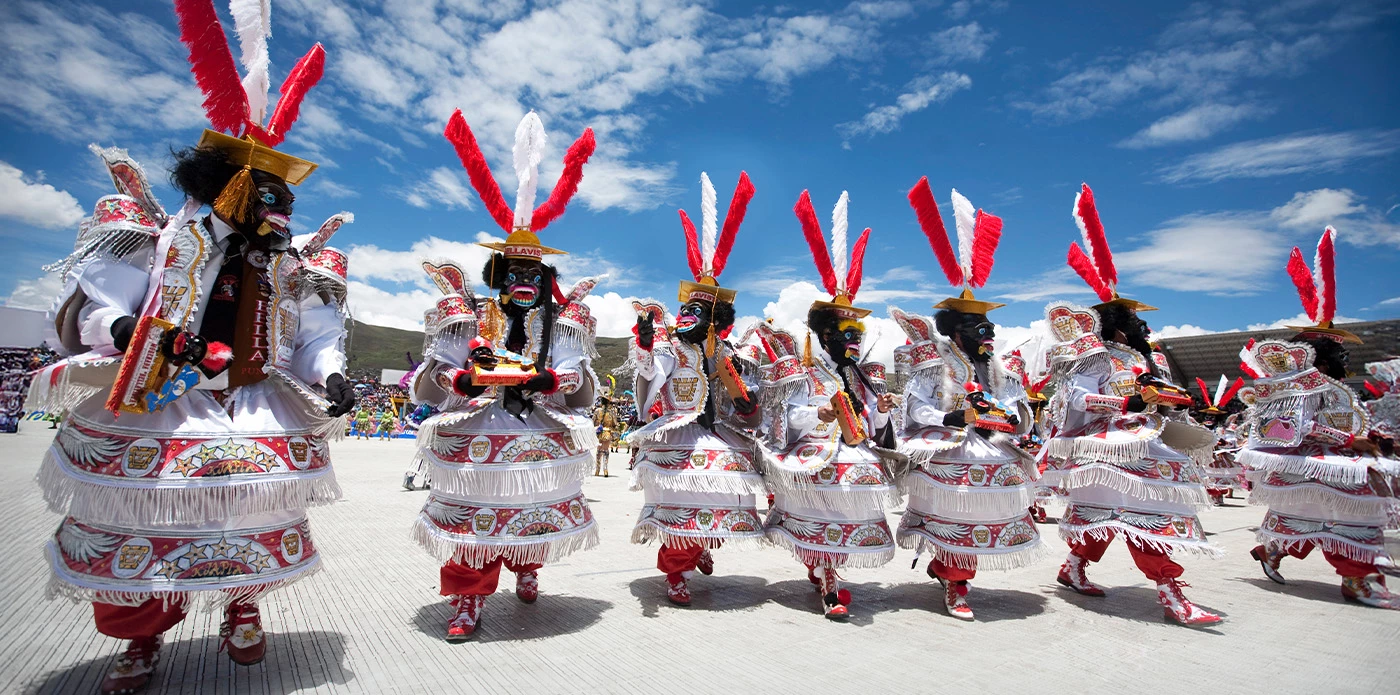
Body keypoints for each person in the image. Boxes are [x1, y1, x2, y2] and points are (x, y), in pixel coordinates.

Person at [26, 4, 356, 691]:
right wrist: (124, 332)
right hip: (159, 394)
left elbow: (308, 341)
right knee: (145, 512)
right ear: (228, 188)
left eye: (284, 203)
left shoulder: (286, 267)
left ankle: (241, 606)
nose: (281, 214)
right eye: (268, 198)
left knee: (246, 508)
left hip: (252, 400)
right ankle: (140, 638)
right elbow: (104, 304)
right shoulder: (162, 238)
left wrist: (332, 376)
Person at [408, 110, 601, 641]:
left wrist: (550, 383)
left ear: (545, 281)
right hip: (478, 428)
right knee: (473, 519)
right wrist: (459, 383)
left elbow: (576, 377)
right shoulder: (467, 315)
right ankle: (468, 597)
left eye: (534, 274)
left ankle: (528, 564)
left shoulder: (562, 323)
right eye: (514, 273)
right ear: (498, 276)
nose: (524, 281)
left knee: (531, 506)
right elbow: (434, 374)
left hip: (537, 428)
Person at [1040, 184, 1222, 626]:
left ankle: (1074, 565)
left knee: (1120, 516)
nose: (1145, 327)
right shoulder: (1095, 355)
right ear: (1119, 330)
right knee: (1145, 516)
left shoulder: (1149, 358)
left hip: (1149, 440)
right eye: (1137, 321)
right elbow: (1077, 399)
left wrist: (1171, 402)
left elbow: (1158, 400)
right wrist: (1129, 399)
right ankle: (1170, 591)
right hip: (1110, 446)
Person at [890, 179, 1042, 620]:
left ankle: (950, 569)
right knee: (957, 510)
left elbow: (1018, 404)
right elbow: (915, 408)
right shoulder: (933, 364)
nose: (988, 335)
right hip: (951, 445)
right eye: (979, 329)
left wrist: (1014, 418)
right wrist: (953, 415)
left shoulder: (1000, 369)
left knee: (985, 512)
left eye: (990, 329)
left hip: (993, 446)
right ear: (955, 331)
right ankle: (957, 583)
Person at [758, 189, 900, 620]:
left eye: (856, 335)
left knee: (845, 514)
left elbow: (873, 421)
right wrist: (818, 414)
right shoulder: (805, 369)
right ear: (826, 337)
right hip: (819, 451)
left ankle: (825, 570)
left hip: (856, 452)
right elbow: (786, 415)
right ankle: (829, 580)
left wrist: (885, 407)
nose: (852, 343)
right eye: (845, 336)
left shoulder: (862, 373)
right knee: (823, 512)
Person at [1240, 228, 1399, 608]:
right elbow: (1295, 428)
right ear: (1321, 356)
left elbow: (1347, 422)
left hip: (1327, 459)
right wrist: (1349, 442)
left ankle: (1273, 550)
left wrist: (1373, 439)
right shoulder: (1301, 385)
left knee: (1321, 515)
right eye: (1338, 353)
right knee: (1349, 508)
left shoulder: (1328, 385)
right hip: (1306, 461)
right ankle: (1356, 578)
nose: (1346, 361)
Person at [627, 171, 765, 606]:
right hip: (680, 432)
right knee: (684, 494)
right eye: (690, 309)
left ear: (719, 319)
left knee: (722, 491)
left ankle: (701, 544)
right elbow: (651, 372)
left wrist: (747, 402)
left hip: (718, 432)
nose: (693, 317)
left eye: (703, 311)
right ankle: (675, 569)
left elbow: (747, 397)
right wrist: (647, 347)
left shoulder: (730, 352)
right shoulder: (672, 347)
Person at [594, 397, 616, 476]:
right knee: (606, 450)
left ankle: (597, 469)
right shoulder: (612, 412)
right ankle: (605, 469)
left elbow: (593, 422)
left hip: (598, 432)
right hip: (607, 432)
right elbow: (615, 424)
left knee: (598, 451)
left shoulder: (597, 411)